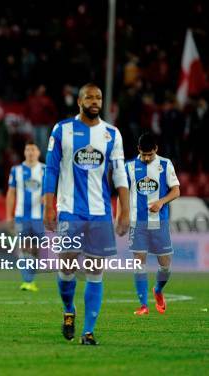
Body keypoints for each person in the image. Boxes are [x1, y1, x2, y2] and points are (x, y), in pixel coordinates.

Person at [43, 83, 130, 345]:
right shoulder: (63, 130)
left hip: (100, 212)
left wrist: (125, 210)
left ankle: (88, 331)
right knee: (67, 263)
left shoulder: (111, 134)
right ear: (79, 101)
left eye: (98, 97)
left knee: (95, 270)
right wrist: (49, 204)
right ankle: (69, 309)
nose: (95, 101)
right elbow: (51, 169)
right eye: (89, 97)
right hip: (69, 209)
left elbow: (119, 173)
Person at [126, 133, 180, 315]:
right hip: (137, 223)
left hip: (159, 223)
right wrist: (122, 216)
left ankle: (157, 290)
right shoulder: (130, 167)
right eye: (143, 154)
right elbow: (123, 194)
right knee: (138, 263)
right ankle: (143, 305)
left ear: (156, 149)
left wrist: (161, 201)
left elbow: (176, 191)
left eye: (150, 154)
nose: (147, 158)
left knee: (165, 265)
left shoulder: (165, 164)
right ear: (138, 150)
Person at [5, 141, 45, 292]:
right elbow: (11, 193)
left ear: (38, 153)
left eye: (33, 149)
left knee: (36, 249)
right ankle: (26, 280)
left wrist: (47, 201)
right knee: (23, 248)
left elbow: (52, 192)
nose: (30, 152)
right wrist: (9, 216)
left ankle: (31, 278)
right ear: (24, 152)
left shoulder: (45, 170)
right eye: (27, 149)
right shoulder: (16, 170)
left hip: (39, 217)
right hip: (21, 216)